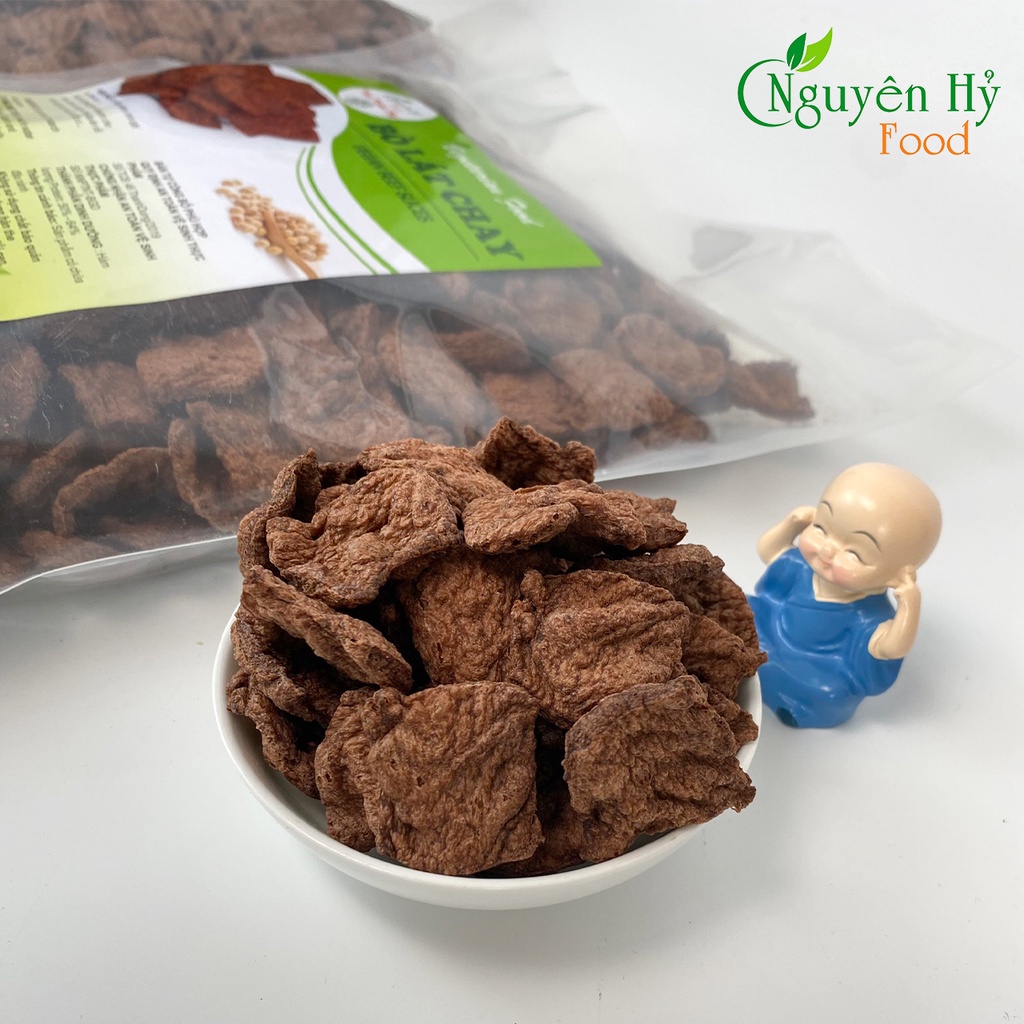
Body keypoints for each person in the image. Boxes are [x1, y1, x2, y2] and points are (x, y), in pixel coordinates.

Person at [749, 463, 941, 728]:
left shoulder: (868, 615)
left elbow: (890, 648)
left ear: (896, 575)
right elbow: (769, 551)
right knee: (733, 612)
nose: (826, 551)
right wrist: (791, 524)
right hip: (772, 627)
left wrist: (910, 603)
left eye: (855, 554)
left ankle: (793, 706)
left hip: (814, 663)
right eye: (821, 528)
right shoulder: (800, 567)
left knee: (831, 693)